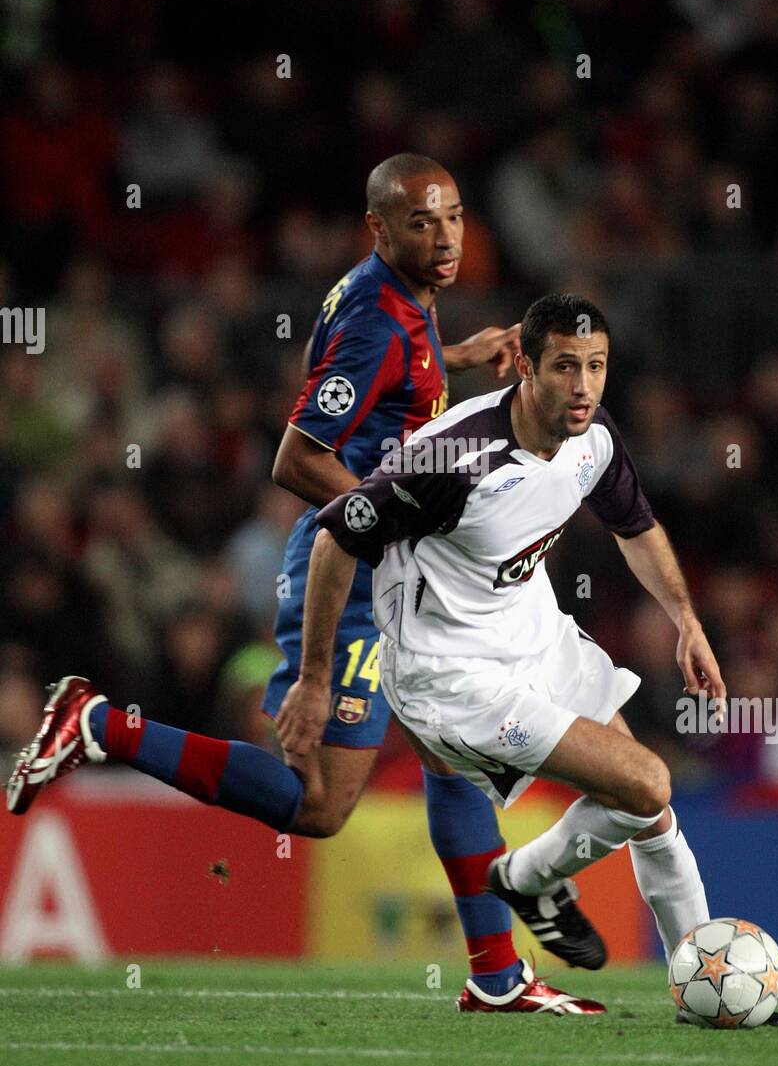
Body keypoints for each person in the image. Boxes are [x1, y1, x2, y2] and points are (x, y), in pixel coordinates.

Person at [5, 158, 607, 1015]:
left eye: (454, 218)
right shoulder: (373, 317)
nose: (444, 240)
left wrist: (459, 356)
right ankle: (99, 725)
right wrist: (395, 526)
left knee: (458, 760)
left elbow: (394, 394)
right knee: (321, 805)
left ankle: (497, 977)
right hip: (355, 571)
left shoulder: (399, 305)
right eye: (422, 224)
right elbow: (299, 458)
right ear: (379, 229)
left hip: (399, 573)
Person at [277, 292, 778, 1024]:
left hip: (533, 634)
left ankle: (701, 993)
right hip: (451, 676)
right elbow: (335, 537)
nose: (582, 387)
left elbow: (634, 525)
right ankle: (522, 876)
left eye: (595, 367)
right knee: (647, 782)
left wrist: (685, 619)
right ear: (522, 364)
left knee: (648, 810)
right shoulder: (452, 455)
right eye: (563, 368)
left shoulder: (593, 435)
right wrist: (316, 678)